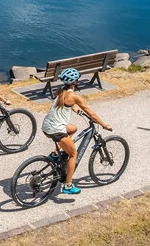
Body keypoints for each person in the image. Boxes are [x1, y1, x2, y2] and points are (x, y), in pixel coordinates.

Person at [40, 67, 112, 195]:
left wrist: (74, 109)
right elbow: (91, 113)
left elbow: (66, 103)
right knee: (73, 154)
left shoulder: (60, 91)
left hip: (47, 126)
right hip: (56, 130)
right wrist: (104, 125)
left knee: (73, 128)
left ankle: (55, 154)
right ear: (75, 82)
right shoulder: (74, 96)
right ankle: (67, 185)